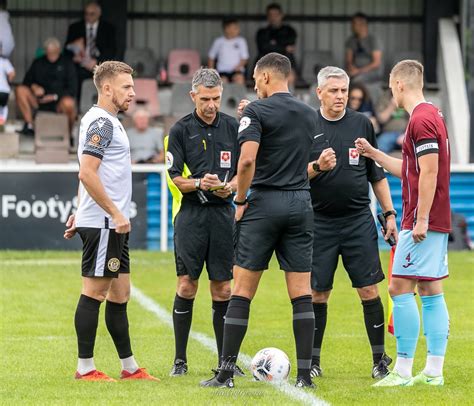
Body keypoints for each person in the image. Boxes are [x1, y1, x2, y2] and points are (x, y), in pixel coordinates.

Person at [201, 52, 317, 389]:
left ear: (266, 77)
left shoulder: (256, 111)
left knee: (242, 290)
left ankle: (225, 374)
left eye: (255, 79)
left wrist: (239, 200)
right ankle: (305, 376)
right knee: (301, 293)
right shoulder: (309, 114)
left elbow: (247, 161)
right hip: (300, 203)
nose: (253, 85)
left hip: (264, 204)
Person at [356, 59, 451, 387]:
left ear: (398, 85)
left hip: (421, 218)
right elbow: (412, 168)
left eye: (390, 88)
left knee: (399, 287)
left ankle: (403, 370)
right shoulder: (431, 114)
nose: (390, 95)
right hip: (431, 216)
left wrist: (421, 219)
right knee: (429, 288)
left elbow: (429, 171)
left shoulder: (421, 120)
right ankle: (434, 372)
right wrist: (374, 153)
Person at [63, 61, 158, 382]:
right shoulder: (102, 123)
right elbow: (86, 171)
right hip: (106, 224)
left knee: (121, 295)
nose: (133, 93)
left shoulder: (107, 122)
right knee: (94, 294)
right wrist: (115, 213)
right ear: (106, 88)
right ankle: (85, 368)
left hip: (105, 222)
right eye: (126, 87)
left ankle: (129, 367)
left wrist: (79, 211)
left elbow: (88, 172)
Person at [308, 66, 397, 381]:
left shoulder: (362, 124)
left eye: (343, 90)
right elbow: (294, 175)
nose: (340, 96)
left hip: (358, 220)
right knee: (318, 293)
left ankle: (379, 360)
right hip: (319, 222)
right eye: (333, 90)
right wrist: (318, 167)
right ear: (319, 92)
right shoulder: (307, 125)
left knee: (368, 289)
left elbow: (376, 175)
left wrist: (389, 214)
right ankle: (313, 361)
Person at [166, 68, 241, 377]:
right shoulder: (180, 131)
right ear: (192, 96)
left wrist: (233, 186)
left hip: (223, 215)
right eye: (205, 99)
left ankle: (225, 362)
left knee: (223, 288)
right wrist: (200, 184)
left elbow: (244, 170)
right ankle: (180, 360)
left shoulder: (234, 127)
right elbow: (174, 177)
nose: (211, 105)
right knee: (187, 284)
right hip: (191, 215)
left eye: (216, 99)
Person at [15, 37, 77, 136]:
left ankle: (68, 135)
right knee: (20, 90)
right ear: (45, 51)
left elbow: (73, 89)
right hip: (39, 101)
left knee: (69, 103)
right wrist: (34, 86)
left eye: (54, 52)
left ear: (58, 50)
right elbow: (26, 82)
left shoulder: (67, 63)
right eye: (49, 52)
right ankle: (30, 126)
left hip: (58, 103)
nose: (51, 55)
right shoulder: (38, 62)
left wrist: (54, 96)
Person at [65, 0, 117, 102]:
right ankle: (79, 105)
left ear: (99, 14)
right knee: (73, 73)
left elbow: (112, 50)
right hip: (80, 65)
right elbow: (66, 49)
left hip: (100, 65)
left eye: (92, 14)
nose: (88, 16)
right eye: (86, 14)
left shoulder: (108, 28)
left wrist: (96, 62)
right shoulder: (75, 27)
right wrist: (75, 57)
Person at [256, 3, 297, 79]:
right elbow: (263, 48)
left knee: (290, 77)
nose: (273, 17)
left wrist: (273, 45)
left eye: (276, 15)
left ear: (281, 15)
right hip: (266, 63)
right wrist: (284, 48)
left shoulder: (290, 31)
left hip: (286, 62)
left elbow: (290, 47)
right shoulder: (262, 32)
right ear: (267, 17)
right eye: (270, 15)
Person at [208, 18, 249, 85]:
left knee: (239, 80)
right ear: (226, 29)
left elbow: (245, 58)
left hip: (237, 71)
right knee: (222, 83)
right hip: (222, 71)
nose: (237, 30)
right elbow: (211, 57)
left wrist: (238, 67)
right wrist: (212, 73)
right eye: (234, 28)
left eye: (237, 28)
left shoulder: (241, 41)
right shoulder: (218, 41)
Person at [345, 12, 383, 83]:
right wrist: (352, 68)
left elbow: (376, 63)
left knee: (357, 80)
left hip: (372, 72)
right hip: (355, 71)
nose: (352, 26)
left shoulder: (373, 40)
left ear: (362, 24)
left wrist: (358, 71)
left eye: (354, 23)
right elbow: (348, 61)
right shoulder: (351, 40)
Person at [0, 53, 14, 128]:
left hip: (3, 90)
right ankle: (1, 121)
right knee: (3, 106)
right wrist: (9, 80)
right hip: (4, 90)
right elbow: (12, 74)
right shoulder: (4, 61)